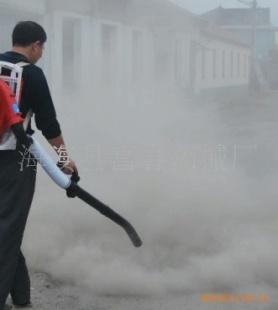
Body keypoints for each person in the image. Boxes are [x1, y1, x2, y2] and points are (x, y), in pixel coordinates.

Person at [0, 21, 78, 309]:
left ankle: (21, 296)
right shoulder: (31, 74)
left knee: (7, 226)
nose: (41, 53)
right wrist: (64, 159)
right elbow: (47, 123)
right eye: (42, 48)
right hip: (14, 159)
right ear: (36, 45)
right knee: (8, 226)